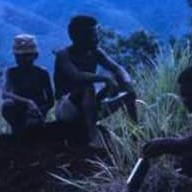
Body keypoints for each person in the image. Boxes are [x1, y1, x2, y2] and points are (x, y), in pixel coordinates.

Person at [53, 15, 137, 147]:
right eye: (90, 36)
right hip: (67, 109)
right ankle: (93, 135)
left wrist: (127, 83)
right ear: (76, 37)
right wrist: (104, 78)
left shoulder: (96, 52)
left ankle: (135, 131)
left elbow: (117, 68)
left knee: (128, 93)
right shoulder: (64, 55)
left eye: (96, 35)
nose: (96, 39)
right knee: (88, 87)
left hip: (89, 106)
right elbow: (76, 76)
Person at [1, 34, 54, 135]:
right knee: (7, 106)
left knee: (32, 128)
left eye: (25, 56)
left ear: (34, 56)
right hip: (19, 110)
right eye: (18, 56)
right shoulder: (11, 72)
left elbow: (50, 101)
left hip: (36, 112)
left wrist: (39, 110)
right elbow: (5, 93)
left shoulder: (42, 73)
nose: (21, 60)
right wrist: (27, 102)